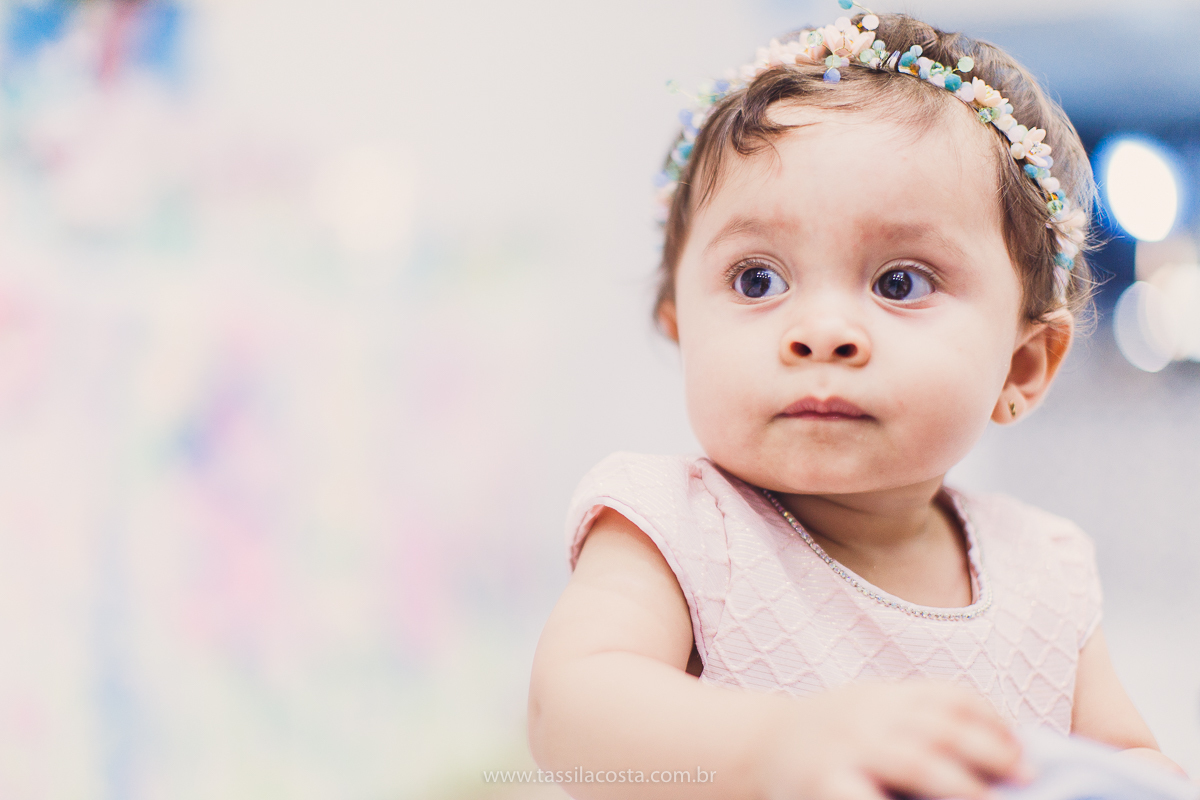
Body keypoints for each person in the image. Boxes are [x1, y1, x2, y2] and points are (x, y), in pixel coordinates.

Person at [527, 7, 1186, 799]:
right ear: (681, 331)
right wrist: (775, 747)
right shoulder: (679, 531)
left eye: (899, 282)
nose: (823, 332)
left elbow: (1124, 761)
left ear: (1021, 366)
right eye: (757, 280)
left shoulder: (1044, 570)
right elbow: (572, 712)